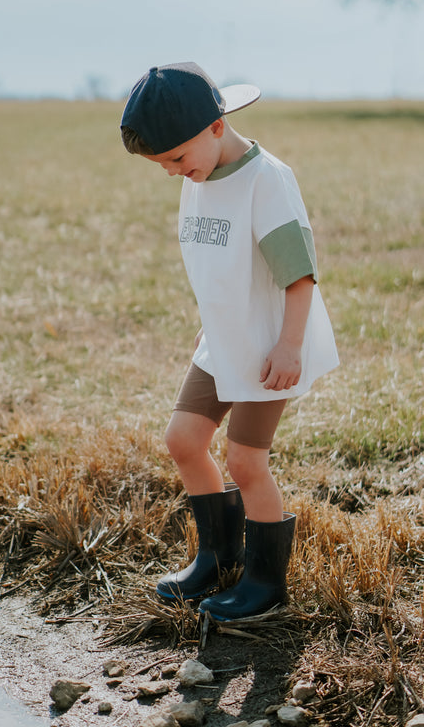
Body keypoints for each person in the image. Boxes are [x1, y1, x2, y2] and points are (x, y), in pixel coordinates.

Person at [120, 62, 339, 621]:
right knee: (184, 440)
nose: (171, 172)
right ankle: (217, 559)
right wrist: (212, 319)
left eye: (174, 158)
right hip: (223, 338)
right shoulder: (200, 174)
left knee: (245, 460)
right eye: (161, 164)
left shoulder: (266, 180)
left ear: (216, 128)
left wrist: (289, 346)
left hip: (270, 345)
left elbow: (298, 274)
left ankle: (265, 583)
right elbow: (219, 265)